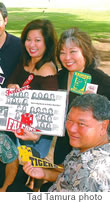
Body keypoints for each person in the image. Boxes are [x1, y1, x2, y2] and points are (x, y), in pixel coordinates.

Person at [23, 94, 110, 191]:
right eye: (69, 120)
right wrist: (45, 173)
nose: (71, 128)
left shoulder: (94, 175)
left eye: (81, 124)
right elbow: (69, 174)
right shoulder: (85, 146)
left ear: (103, 126)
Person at [54, 28, 110, 164]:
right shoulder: (58, 77)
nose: (67, 58)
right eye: (62, 53)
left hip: (91, 151)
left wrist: (95, 105)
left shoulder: (101, 81)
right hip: (64, 144)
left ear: (85, 52)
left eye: (73, 51)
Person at [7, 19, 58, 158]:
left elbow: (50, 110)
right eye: (28, 39)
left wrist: (37, 135)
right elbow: (12, 79)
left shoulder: (48, 69)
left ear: (47, 43)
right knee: (24, 164)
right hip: (21, 125)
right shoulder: (26, 60)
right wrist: (11, 86)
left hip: (36, 134)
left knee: (35, 167)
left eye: (37, 40)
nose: (31, 44)